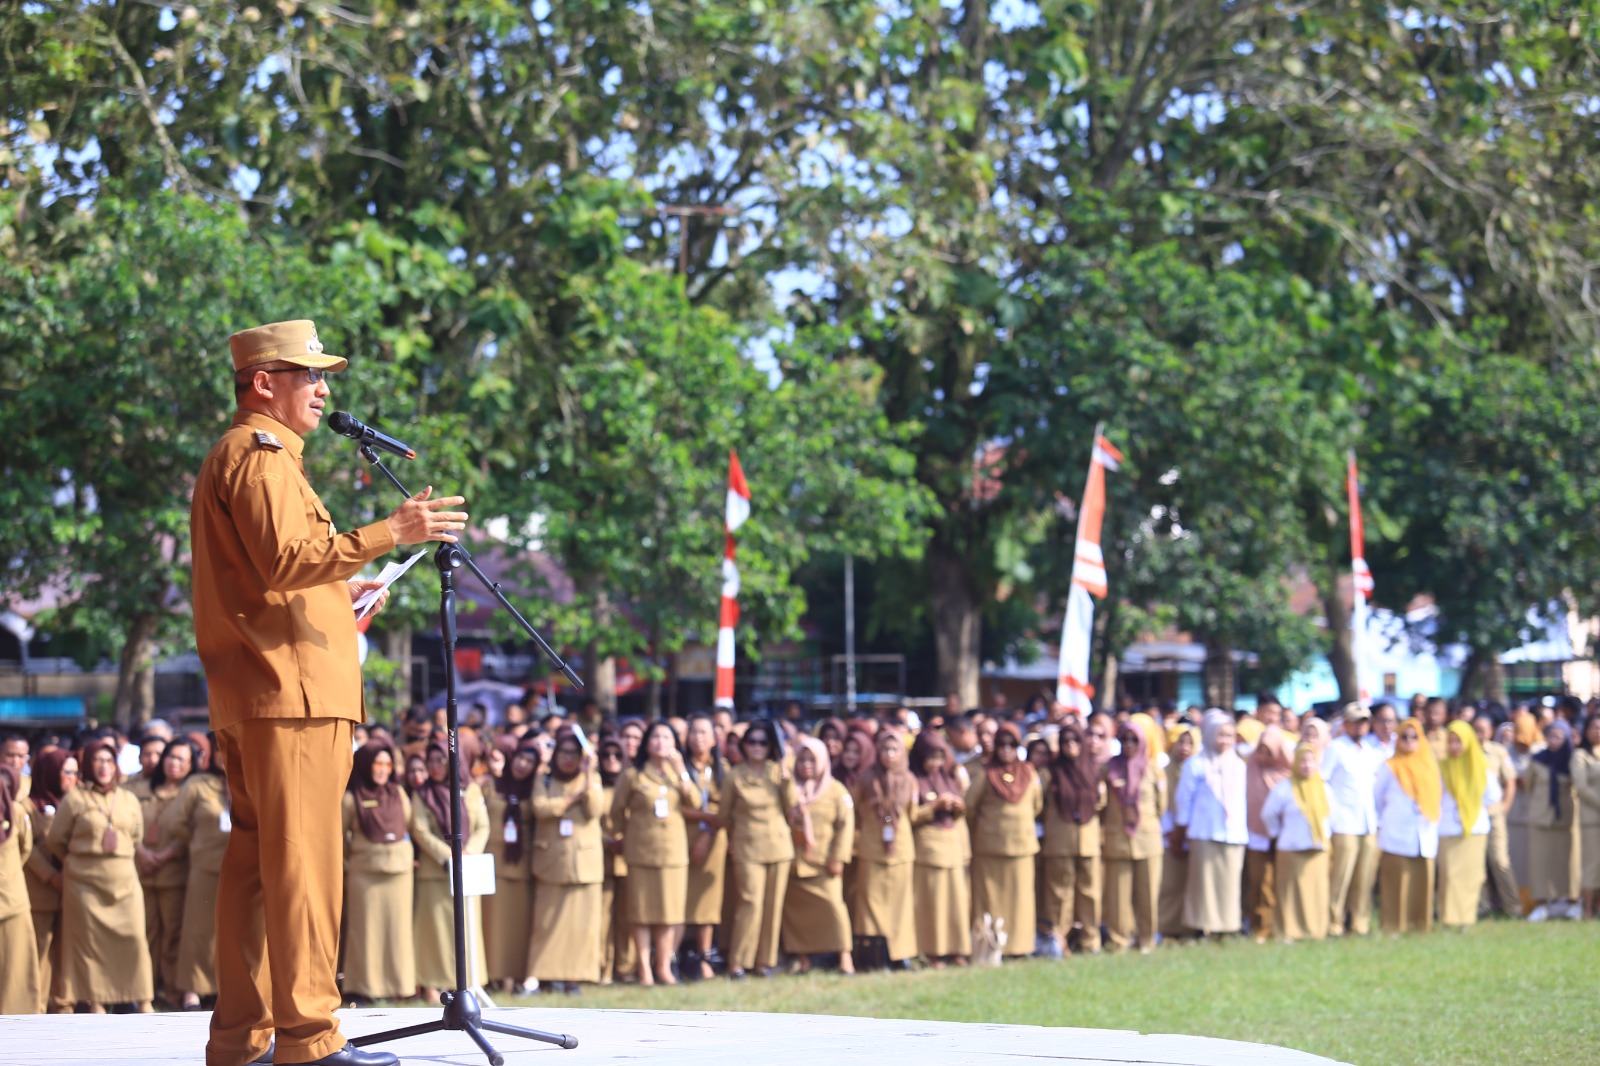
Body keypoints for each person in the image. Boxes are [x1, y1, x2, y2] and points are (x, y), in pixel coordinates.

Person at [191, 318, 466, 1066]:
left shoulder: (260, 458)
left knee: (257, 870)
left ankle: (242, 1040)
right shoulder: (261, 455)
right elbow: (286, 560)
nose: (323, 388)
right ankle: (310, 1041)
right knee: (303, 868)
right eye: (309, 374)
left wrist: (341, 594)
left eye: (323, 376)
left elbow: (278, 577)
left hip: (273, 692)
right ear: (262, 382)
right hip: (291, 697)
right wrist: (391, 530)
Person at [47, 739, 153, 1012]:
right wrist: (78, 863)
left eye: (109, 761)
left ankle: (142, 999)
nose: (104, 767)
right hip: (84, 884)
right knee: (89, 946)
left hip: (124, 880)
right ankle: (97, 1002)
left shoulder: (128, 798)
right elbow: (56, 840)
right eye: (98, 761)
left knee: (135, 940)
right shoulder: (76, 799)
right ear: (88, 765)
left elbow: (136, 836)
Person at [610, 721, 698, 986]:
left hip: (673, 852)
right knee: (641, 912)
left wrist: (682, 771)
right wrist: (627, 834)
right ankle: (644, 970)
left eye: (667, 737)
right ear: (647, 742)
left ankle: (663, 967)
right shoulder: (633, 775)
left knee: (669, 913)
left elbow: (694, 801)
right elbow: (616, 811)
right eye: (656, 737)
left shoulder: (677, 773)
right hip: (641, 852)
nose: (661, 742)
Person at [410, 739, 491, 1000]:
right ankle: (433, 985)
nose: (435, 767)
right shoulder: (423, 794)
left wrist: (468, 853)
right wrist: (449, 855)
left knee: (466, 927)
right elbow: (420, 831)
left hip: (468, 870)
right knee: (435, 931)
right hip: (437, 872)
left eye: (441, 761)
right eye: (430, 761)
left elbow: (483, 827)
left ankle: (468, 982)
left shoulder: (472, 790)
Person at [719, 721, 798, 979]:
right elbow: (724, 815)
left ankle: (765, 961)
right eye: (752, 741)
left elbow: (792, 807)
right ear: (744, 745)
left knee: (772, 906)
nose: (757, 747)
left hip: (778, 844)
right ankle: (737, 961)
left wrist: (786, 776)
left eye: (763, 742)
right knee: (750, 902)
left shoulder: (778, 772)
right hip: (747, 845)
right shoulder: (735, 775)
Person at [527, 728, 603, 992]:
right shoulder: (544, 779)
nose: (568, 759)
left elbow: (595, 809)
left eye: (574, 754)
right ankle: (547, 975)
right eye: (564, 753)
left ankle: (575, 977)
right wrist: (572, 799)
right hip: (552, 860)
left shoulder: (591, 779)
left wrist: (589, 774)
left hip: (584, 861)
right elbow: (541, 808)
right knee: (547, 923)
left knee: (581, 925)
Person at [340, 741, 415, 1003]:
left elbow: (410, 826)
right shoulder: (351, 798)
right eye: (377, 764)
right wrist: (352, 863)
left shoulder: (398, 793)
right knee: (366, 933)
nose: (383, 770)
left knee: (398, 931)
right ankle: (363, 988)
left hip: (399, 874)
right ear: (364, 765)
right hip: (365, 873)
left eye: (387, 764)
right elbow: (339, 839)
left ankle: (400, 987)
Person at [964, 722, 1042, 959]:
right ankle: (988, 946)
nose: (1006, 750)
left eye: (1012, 745)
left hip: (1022, 846)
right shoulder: (986, 774)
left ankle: (1019, 947)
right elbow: (970, 806)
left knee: (1021, 900)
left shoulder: (1029, 772)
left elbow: (1036, 805)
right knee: (990, 899)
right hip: (990, 848)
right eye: (1002, 745)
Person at [781, 736, 855, 974]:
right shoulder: (789, 790)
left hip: (824, 862)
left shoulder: (836, 790)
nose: (806, 765)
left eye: (812, 760)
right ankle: (804, 959)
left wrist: (838, 858)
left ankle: (845, 957)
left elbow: (846, 826)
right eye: (801, 759)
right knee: (798, 916)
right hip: (795, 862)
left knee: (834, 909)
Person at [164, 745, 230, 1009]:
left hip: (240, 866)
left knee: (234, 932)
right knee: (198, 930)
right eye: (221, 750)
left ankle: (226, 989)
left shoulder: (250, 776)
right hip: (204, 866)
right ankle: (193, 989)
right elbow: (177, 823)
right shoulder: (198, 784)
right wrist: (197, 844)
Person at [136, 736, 198, 1006]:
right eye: (171, 757)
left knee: (173, 936)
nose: (175, 763)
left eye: (182, 759)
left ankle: (172, 993)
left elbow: (190, 832)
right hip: (142, 871)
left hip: (174, 873)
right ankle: (143, 992)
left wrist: (163, 855)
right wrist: (142, 852)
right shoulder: (141, 788)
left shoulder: (189, 791)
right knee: (144, 935)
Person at [1175, 710, 1248, 936]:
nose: (1225, 741)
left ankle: (1227, 927)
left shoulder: (1238, 764)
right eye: (1220, 735)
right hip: (1204, 832)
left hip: (1233, 833)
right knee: (1203, 884)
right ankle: (1201, 926)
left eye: (1229, 736)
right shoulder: (1196, 764)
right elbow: (1183, 799)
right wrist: (1183, 827)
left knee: (1229, 883)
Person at [852, 729, 917, 969]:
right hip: (872, 848)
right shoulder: (866, 778)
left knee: (901, 905)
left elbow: (913, 814)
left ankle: (900, 954)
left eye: (894, 750)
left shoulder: (909, 779)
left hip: (901, 850)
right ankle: (875, 956)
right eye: (885, 750)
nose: (889, 755)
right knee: (871, 904)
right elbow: (853, 809)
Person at [1038, 721, 1103, 955]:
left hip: (1088, 840)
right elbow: (1039, 804)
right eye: (1066, 741)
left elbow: (1100, 801)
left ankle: (1090, 940)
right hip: (1060, 840)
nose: (1071, 746)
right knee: (1059, 893)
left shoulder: (1093, 770)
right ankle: (1058, 940)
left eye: (1076, 740)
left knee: (1090, 892)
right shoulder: (1050, 773)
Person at [1100, 721, 1165, 953]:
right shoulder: (1108, 769)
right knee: (1118, 894)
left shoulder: (1153, 769)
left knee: (1148, 893)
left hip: (1147, 838)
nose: (1129, 745)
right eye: (1124, 739)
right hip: (1117, 837)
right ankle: (1119, 940)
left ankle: (1146, 939)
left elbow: (1161, 805)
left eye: (1134, 740)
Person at [908, 730, 970, 965]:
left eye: (939, 758)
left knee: (955, 902)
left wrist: (957, 805)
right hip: (928, 848)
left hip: (952, 847)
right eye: (930, 758)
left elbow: (963, 813)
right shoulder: (912, 779)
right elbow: (905, 817)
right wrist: (933, 807)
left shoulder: (949, 777)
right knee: (932, 903)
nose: (935, 764)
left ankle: (957, 949)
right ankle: (933, 951)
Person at [483, 737, 539, 993]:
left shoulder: (534, 791)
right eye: (520, 758)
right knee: (493, 925)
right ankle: (494, 976)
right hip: (492, 864)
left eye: (530, 761)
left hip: (522, 867)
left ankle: (515, 977)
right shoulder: (490, 785)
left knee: (518, 926)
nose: (523, 765)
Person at [1260, 743, 1332, 941]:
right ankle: (1288, 931)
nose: (1307, 765)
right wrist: (1277, 833)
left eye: (1311, 761)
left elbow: (1331, 816)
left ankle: (1316, 930)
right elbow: (1268, 814)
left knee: (1315, 892)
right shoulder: (1284, 788)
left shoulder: (1324, 788)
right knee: (1290, 893)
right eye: (1303, 761)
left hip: (1317, 849)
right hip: (1291, 848)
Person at [1375, 719, 1440, 935]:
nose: (1409, 741)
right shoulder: (1389, 765)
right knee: (1396, 882)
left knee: (1422, 881)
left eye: (1414, 737)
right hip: (1397, 833)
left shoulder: (1430, 765)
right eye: (1404, 737)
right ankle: (1393, 926)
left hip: (1424, 831)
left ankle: (1420, 925)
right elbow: (1376, 798)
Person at [1322, 704, 1382, 937]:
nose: (1361, 726)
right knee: (1341, 877)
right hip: (1344, 822)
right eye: (1356, 721)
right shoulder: (1336, 749)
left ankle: (1360, 922)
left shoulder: (1370, 749)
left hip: (1367, 822)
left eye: (1364, 722)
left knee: (1365, 877)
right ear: (1345, 723)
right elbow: (1323, 782)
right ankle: (1334, 923)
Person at [22, 747, 74, 1013]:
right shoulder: (27, 807)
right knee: (40, 949)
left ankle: (63, 1003)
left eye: (75, 772)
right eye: (67, 772)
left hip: (73, 888)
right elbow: (27, 849)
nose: (72, 778)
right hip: (41, 889)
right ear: (50, 772)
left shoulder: (76, 803)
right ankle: (38, 1006)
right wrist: (51, 876)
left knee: (66, 949)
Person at [681, 715, 727, 980]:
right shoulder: (680, 768)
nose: (698, 737)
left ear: (713, 739)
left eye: (703, 732)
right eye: (693, 732)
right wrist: (703, 818)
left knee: (707, 904)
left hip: (713, 842)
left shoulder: (723, 769)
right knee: (678, 903)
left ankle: (705, 959)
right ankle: (674, 958)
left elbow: (725, 808)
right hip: (681, 839)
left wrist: (708, 830)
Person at [1523, 719, 1580, 921]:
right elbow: (1529, 784)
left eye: (1558, 736)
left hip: (1566, 817)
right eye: (1551, 736)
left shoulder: (1572, 759)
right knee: (1540, 862)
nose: (1554, 740)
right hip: (1541, 817)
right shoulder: (1537, 759)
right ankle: (1541, 904)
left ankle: (1572, 902)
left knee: (1569, 861)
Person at [1436, 721, 1492, 929]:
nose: (1455, 747)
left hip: (1475, 828)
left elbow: (1492, 795)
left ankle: (1466, 919)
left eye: (1459, 742)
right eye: (1451, 742)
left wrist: (1469, 804)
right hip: (1448, 828)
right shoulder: (1442, 767)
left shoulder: (1481, 766)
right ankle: (1448, 917)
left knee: (1471, 876)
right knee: (1449, 875)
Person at [1243, 725, 1292, 942]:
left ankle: (1281, 925)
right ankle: (1261, 926)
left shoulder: (1290, 772)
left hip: (1285, 836)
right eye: (1260, 750)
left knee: (1282, 882)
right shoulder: (1249, 766)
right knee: (1261, 882)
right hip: (1257, 835)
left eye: (1268, 750)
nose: (1263, 756)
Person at [595, 734, 635, 985]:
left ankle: (626, 967)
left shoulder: (631, 784)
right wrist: (608, 841)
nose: (612, 760)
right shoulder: (594, 784)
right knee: (602, 918)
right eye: (606, 755)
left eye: (618, 755)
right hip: (601, 859)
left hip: (630, 858)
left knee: (628, 917)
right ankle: (602, 969)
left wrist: (625, 841)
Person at [0, 765, 39, 1014]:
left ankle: (18, 1016)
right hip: (11, 892)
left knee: (16, 963)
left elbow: (26, 848)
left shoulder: (16, 812)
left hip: (13, 900)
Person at [1474, 712, 1520, 916]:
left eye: (1482, 730)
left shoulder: (1499, 752)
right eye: (1475, 729)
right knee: (1476, 863)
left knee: (1500, 860)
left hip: (1494, 813)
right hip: (1473, 814)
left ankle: (1513, 907)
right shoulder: (1466, 752)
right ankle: (1478, 908)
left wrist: (1504, 807)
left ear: (1491, 731)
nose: (1478, 733)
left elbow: (1510, 782)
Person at [1157, 724, 1196, 939]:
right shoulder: (1163, 772)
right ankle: (1167, 927)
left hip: (1193, 836)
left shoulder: (1199, 771)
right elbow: (1162, 806)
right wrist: (1172, 833)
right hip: (1169, 837)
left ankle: (1191, 929)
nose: (1185, 748)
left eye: (1190, 743)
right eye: (1180, 742)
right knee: (1169, 885)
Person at [1571, 713, 1600, 919]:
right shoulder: (1580, 755)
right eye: (1593, 727)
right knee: (1592, 865)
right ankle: (1588, 910)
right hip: (1592, 819)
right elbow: (1581, 786)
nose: (1597, 731)